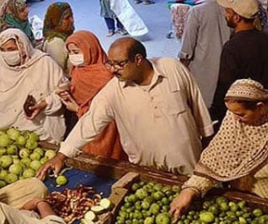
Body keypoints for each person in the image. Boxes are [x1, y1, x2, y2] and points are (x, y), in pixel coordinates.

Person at [37, 38, 214, 177]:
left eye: (119, 64)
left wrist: (208, 152)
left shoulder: (172, 68)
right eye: (110, 63)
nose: (113, 70)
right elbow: (89, 124)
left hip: (190, 166)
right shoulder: (113, 91)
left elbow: (197, 105)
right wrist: (62, 155)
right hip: (147, 171)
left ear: (138, 59)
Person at [169, 79, 268, 220]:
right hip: (252, 204)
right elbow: (216, 158)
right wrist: (190, 190)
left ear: (260, 107)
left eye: (241, 114)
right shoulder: (234, 121)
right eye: (231, 113)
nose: (234, 119)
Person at [58, 31, 126, 160]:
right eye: (70, 52)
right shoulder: (77, 70)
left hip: (107, 129)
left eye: (76, 52)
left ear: (90, 49)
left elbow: (109, 109)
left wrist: (78, 109)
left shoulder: (106, 74)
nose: (73, 56)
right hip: (84, 127)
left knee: (108, 159)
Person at [211, 0, 268, 120]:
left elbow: (225, 85)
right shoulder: (265, 40)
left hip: (239, 109)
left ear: (237, 18)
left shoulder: (232, 47)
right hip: (260, 104)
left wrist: (215, 113)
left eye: (228, 12)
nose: (225, 15)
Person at [179, 0, 229, 109]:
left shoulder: (197, 11)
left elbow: (188, 43)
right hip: (225, 65)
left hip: (201, 66)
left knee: (200, 106)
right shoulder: (228, 10)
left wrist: (182, 66)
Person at [42, 2, 75, 72]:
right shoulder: (55, 43)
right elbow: (58, 72)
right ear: (55, 21)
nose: (72, 20)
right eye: (67, 18)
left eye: (72, 16)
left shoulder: (65, 36)